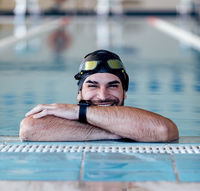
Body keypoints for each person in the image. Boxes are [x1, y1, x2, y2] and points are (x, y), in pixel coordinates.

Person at [19, 49, 179, 142]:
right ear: (79, 93)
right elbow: (29, 128)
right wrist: (119, 131)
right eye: (92, 85)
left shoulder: (139, 117)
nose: (103, 96)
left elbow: (164, 130)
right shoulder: (137, 124)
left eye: (113, 85)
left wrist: (77, 112)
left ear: (124, 92)